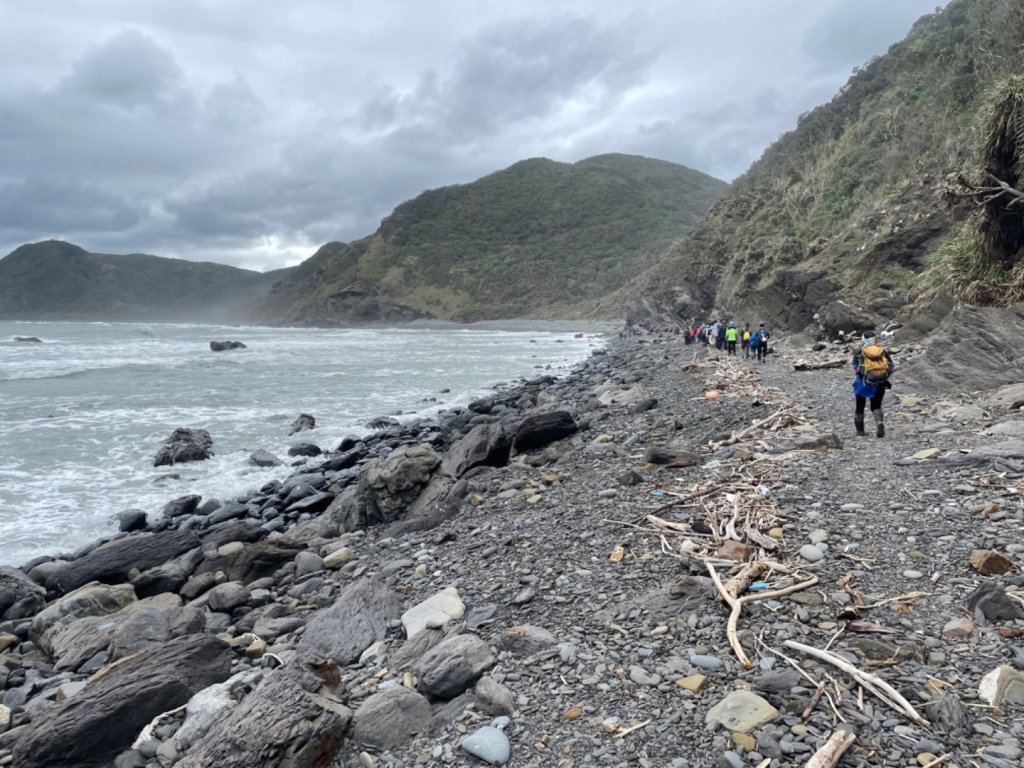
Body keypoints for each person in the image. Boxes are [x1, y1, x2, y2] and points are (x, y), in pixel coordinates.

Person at [852, 331, 895, 437]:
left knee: (860, 406)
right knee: (876, 405)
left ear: (863, 339)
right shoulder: (882, 351)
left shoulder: (859, 351)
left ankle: (860, 432)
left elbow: (855, 368)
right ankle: (879, 422)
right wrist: (883, 376)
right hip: (880, 382)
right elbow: (891, 366)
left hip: (862, 382)